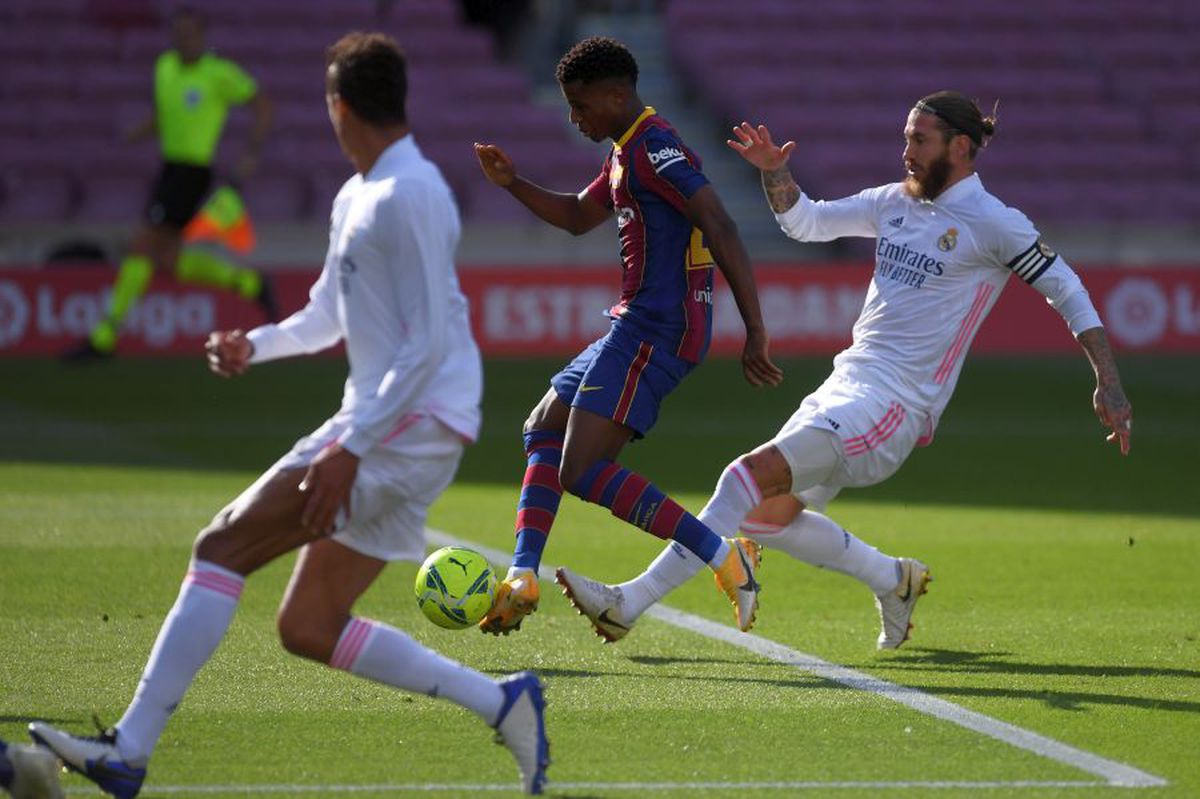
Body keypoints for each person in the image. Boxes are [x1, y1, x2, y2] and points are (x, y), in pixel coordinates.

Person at [29, 32, 549, 798]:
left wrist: (353, 445)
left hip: (406, 423)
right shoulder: (358, 194)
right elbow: (324, 316)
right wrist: (256, 345)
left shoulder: (414, 192)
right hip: (406, 425)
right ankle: (502, 701)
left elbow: (430, 340)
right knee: (306, 624)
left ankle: (129, 749)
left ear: (340, 106)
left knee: (221, 545)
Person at [555, 91, 1133, 649]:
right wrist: (774, 173)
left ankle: (627, 604)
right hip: (845, 384)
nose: (906, 151)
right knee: (763, 517)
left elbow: (1066, 288)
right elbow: (805, 222)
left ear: (960, 147)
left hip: (896, 405)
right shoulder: (894, 202)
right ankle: (893, 580)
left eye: (919, 140)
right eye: (906, 138)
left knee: (741, 479)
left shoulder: (994, 222)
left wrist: (1106, 378)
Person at [472, 36, 784, 636]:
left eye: (581, 106)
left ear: (617, 95)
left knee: (581, 470)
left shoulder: (656, 147)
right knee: (544, 425)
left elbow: (717, 218)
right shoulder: (625, 151)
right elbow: (576, 217)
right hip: (634, 323)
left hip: (659, 328)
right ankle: (523, 574)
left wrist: (756, 327)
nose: (574, 118)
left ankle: (724, 555)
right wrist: (512, 181)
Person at [67, 5, 276, 360]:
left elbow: (262, 105)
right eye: (178, 34)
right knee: (168, 261)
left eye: (190, 34)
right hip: (170, 168)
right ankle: (249, 284)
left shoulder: (219, 73)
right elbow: (166, 115)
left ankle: (104, 337)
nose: (183, 40)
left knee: (142, 244)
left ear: (202, 36)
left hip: (193, 172)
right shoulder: (164, 67)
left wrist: (251, 153)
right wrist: (136, 134)